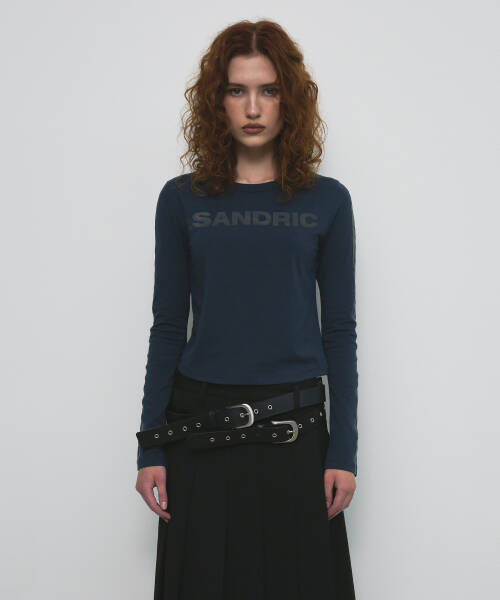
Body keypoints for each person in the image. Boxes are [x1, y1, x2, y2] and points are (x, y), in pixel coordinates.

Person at [135, 19, 358, 600]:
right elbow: (167, 326)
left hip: (296, 434)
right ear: (218, 101)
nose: (253, 108)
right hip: (200, 432)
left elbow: (339, 330)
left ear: (290, 100)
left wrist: (344, 451)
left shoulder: (328, 201)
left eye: (268, 90)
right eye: (237, 90)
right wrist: (150, 444)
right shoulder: (181, 199)